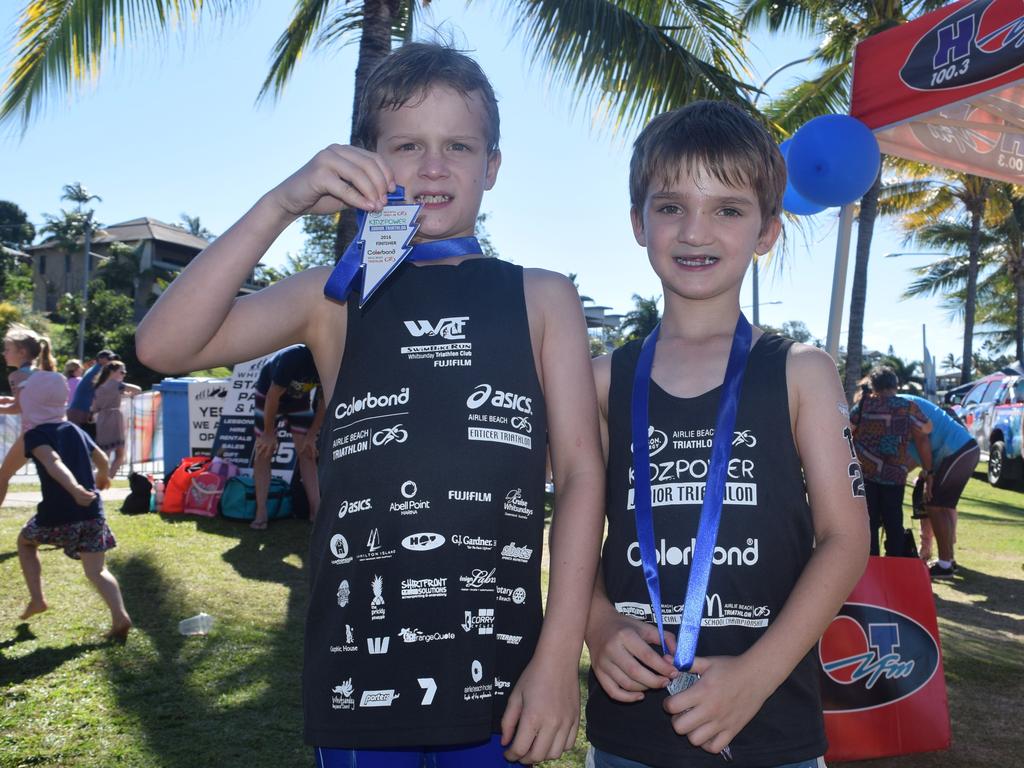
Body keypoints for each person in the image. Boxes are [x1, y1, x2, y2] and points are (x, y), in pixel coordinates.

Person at [136, 43, 604, 767]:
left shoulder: (542, 296)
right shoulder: (332, 296)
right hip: (360, 666)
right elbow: (163, 347)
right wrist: (282, 202)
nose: (435, 166)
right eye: (407, 146)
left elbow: (578, 475)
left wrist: (556, 659)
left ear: (493, 167)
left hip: (501, 669)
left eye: (459, 145)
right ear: (368, 161)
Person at [583, 101, 870, 768]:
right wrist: (598, 624)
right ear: (637, 222)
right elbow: (570, 525)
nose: (694, 230)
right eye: (670, 206)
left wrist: (756, 676)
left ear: (768, 231)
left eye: (728, 209)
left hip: (771, 730)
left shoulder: (802, 372)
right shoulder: (599, 380)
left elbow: (845, 538)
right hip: (630, 734)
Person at [16, 413, 132, 641]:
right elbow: (101, 458)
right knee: (97, 571)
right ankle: (120, 616)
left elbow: (53, 462)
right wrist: (103, 475)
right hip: (92, 511)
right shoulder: (75, 429)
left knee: (25, 542)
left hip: (58, 514)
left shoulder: (35, 434)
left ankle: (37, 599)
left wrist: (75, 489)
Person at [850, 367, 932, 557]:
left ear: (873, 385)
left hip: (866, 473)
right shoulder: (907, 406)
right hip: (894, 473)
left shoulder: (864, 405)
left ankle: (869, 563)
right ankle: (894, 563)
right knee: (893, 521)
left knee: (868, 522)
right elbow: (927, 428)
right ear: (896, 385)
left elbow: (847, 428)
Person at [902, 394, 980, 579]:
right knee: (941, 507)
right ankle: (948, 561)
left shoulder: (901, 406)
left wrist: (928, 473)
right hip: (961, 452)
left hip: (957, 451)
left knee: (935, 506)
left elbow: (922, 441)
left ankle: (945, 564)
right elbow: (911, 459)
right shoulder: (898, 406)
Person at [251, 344, 324, 530]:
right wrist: (268, 433)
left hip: (298, 399)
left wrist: (312, 435)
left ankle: (316, 511)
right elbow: (272, 397)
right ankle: (261, 512)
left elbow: (325, 402)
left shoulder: (329, 361)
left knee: (307, 452)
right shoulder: (294, 356)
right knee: (264, 451)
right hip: (268, 395)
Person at [0, 325, 62, 505]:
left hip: (32, 433)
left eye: (7, 349)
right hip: (53, 431)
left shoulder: (17, 375)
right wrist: (5, 401)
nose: (4, 353)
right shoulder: (41, 372)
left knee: (3, 476)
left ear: (22, 352)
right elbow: (28, 401)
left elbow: (18, 407)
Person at [91, 360, 141, 478]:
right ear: (113, 372)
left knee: (105, 451)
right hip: (114, 417)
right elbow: (138, 389)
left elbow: (94, 407)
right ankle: (109, 477)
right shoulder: (117, 385)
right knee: (119, 453)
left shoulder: (98, 386)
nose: (123, 375)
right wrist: (126, 395)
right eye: (122, 372)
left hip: (102, 418)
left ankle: (101, 477)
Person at [66, 349, 116, 439]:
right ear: (100, 359)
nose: (111, 361)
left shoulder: (95, 369)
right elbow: (108, 386)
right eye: (109, 358)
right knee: (81, 444)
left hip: (79, 412)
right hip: (79, 413)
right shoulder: (97, 371)